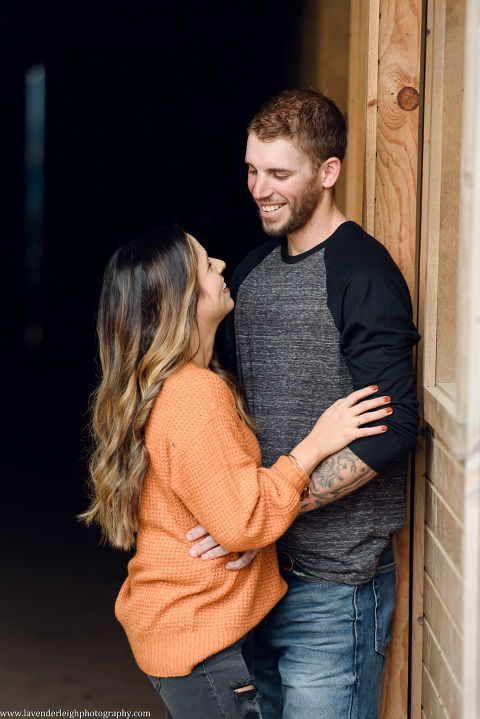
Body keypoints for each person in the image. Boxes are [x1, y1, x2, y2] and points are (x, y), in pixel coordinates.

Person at [80, 226, 393, 719]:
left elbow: (232, 516)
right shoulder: (194, 395)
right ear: (178, 298)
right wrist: (315, 443)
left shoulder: (185, 385)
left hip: (184, 629)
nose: (221, 266)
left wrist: (241, 529)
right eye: (206, 265)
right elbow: (245, 522)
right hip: (199, 642)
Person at [188, 88, 420, 719]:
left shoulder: (362, 273)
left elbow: (394, 426)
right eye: (252, 169)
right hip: (255, 579)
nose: (259, 188)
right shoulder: (251, 275)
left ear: (327, 172)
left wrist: (272, 510)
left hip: (334, 591)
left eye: (279, 174)